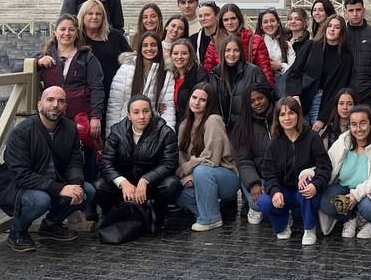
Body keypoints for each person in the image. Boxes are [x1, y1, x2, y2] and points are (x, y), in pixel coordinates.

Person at [0, 86, 95, 252]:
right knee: (40, 200)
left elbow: (75, 162)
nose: (55, 105)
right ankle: (17, 231)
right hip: (19, 188)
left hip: (54, 182)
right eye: (50, 100)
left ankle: (51, 225)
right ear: (39, 105)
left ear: (65, 107)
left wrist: (75, 185)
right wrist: (61, 188)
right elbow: (21, 175)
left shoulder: (70, 128)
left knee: (87, 190)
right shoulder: (22, 132)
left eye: (60, 101)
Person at [95, 96, 182, 235]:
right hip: (125, 186)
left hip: (152, 185)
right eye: (136, 112)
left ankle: (158, 216)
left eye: (146, 111)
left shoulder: (165, 132)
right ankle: (113, 216)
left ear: (151, 113)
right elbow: (105, 162)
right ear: (128, 115)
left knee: (172, 184)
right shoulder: (117, 132)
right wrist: (123, 182)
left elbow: (170, 163)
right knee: (99, 186)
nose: (141, 116)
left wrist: (146, 179)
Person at [36, 14, 105, 185]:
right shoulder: (46, 56)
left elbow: (97, 86)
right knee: (57, 162)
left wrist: (96, 117)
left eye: (71, 29)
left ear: (76, 33)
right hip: (54, 119)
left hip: (81, 118)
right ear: (55, 32)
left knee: (84, 162)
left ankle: (87, 205)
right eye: (63, 29)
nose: (66, 33)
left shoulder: (86, 57)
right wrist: (37, 63)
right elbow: (18, 69)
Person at [256, 96, 332, 245]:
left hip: (305, 191)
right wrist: (275, 191)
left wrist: (316, 184)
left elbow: (325, 166)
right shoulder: (274, 143)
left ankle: (309, 228)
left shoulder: (312, 137)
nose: (287, 118)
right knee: (263, 201)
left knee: (305, 185)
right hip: (284, 191)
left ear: (298, 114)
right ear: (277, 118)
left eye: (291, 113)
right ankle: (282, 225)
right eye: (282, 114)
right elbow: (268, 172)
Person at [320, 105, 371, 239]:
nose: (358, 129)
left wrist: (356, 195)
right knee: (326, 200)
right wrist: (308, 173)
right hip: (345, 188)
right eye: (354, 124)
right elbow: (327, 163)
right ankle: (351, 219)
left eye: (363, 123)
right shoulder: (344, 140)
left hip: (369, 193)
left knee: (367, 207)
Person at [175, 83, 240, 231]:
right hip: (200, 176)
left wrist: (189, 167)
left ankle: (211, 219)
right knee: (177, 193)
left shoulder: (213, 120)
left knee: (202, 171)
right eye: (194, 97)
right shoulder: (184, 125)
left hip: (225, 176)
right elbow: (181, 156)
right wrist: (186, 177)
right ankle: (211, 210)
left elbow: (211, 159)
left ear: (209, 103)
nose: (196, 102)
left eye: (202, 100)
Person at [286, 14, 353, 130]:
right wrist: (295, 95)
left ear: (342, 32)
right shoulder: (311, 46)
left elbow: (338, 90)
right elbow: (293, 73)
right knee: (298, 137)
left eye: (337, 27)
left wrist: (323, 118)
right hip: (301, 97)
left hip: (324, 102)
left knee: (319, 138)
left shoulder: (346, 58)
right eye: (330, 26)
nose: (332, 29)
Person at [107, 31, 175, 130]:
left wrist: (168, 137)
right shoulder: (125, 69)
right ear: (140, 48)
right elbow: (115, 105)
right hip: (126, 128)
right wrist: (112, 134)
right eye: (145, 45)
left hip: (153, 130)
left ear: (159, 48)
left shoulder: (166, 74)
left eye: (153, 45)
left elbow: (168, 109)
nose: (149, 49)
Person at [231, 82, 276, 225]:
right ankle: (255, 207)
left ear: (267, 97)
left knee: (278, 202)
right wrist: (253, 184)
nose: (257, 103)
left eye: (260, 98)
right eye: (252, 101)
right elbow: (243, 161)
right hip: (257, 176)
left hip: (280, 177)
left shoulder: (281, 116)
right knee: (260, 203)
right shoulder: (243, 125)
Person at [78, 0, 130, 110]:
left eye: (98, 14)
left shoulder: (115, 37)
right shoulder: (76, 39)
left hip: (114, 96)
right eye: (90, 13)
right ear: (82, 16)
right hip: (84, 97)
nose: (94, 17)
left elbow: (131, 61)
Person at [212, 35, 264, 130]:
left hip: (248, 128)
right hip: (224, 129)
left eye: (236, 50)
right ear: (222, 52)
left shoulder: (254, 71)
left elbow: (264, 101)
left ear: (241, 52)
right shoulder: (215, 74)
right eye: (227, 50)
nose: (232, 54)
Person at [219, 3, 274, 85]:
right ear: (221, 22)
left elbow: (265, 71)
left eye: (233, 18)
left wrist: (267, 93)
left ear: (239, 19)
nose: (229, 22)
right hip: (222, 92)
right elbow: (210, 72)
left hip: (250, 91)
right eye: (226, 20)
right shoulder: (214, 41)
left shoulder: (256, 40)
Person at [167, 40, 211, 123]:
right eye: (175, 53)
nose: (179, 57)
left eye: (184, 53)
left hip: (191, 123)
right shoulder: (170, 75)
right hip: (174, 121)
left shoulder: (200, 75)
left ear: (190, 55)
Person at [258, 9, 294, 99]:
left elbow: (294, 68)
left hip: (283, 87)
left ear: (278, 23)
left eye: (272, 21)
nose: (269, 24)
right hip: (262, 86)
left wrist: (281, 66)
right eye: (265, 22)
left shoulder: (286, 45)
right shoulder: (256, 43)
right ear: (261, 26)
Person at [191, 1, 223, 70]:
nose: (203, 19)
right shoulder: (192, 39)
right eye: (200, 16)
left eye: (207, 15)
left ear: (217, 16)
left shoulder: (225, 37)